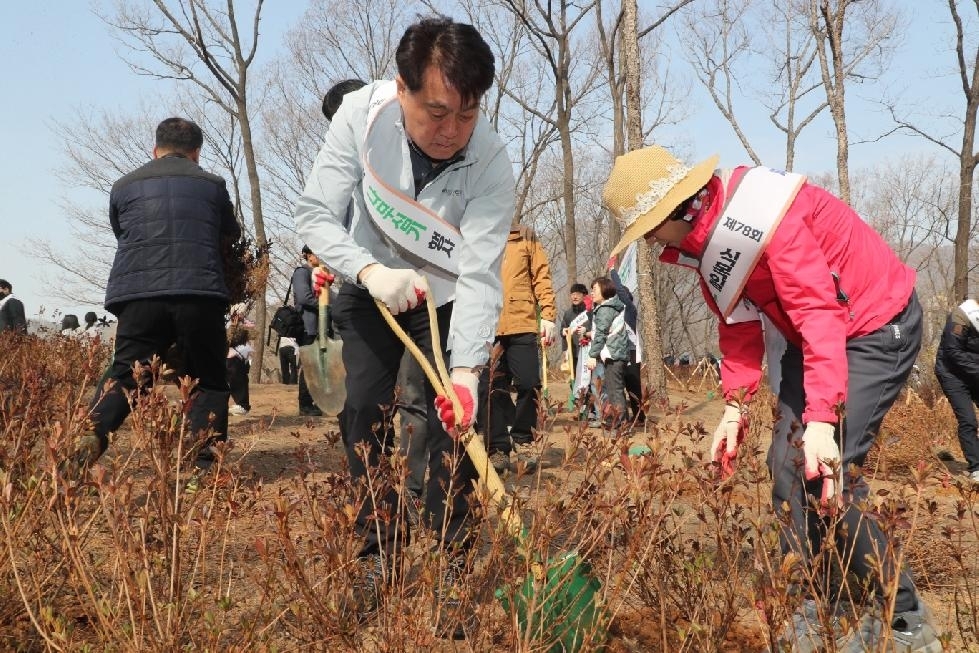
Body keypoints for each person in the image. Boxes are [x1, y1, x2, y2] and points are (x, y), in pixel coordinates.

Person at [602, 144, 939, 652]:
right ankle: (818, 602)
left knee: (831, 468)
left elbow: (818, 309)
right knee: (785, 463)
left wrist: (822, 419)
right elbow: (738, 328)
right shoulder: (705, 240)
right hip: (814, 336)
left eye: (647, 227)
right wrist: (734, 407)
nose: (648, 241)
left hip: (872, 324)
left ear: (672, 208)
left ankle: (906, 619)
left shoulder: (760, 216)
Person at [294, 16, 514, 639]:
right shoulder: (360, 117)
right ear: (402, 89)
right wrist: (365, 269)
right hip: (370, 292)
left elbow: (479, 273)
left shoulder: (492, 159)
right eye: (437, 113)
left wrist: (467, 371)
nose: (452, 132)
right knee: (361, 414)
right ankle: (377, 553)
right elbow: (315, 212)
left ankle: (452, 560)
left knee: (446, 431)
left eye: (467, 116)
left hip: (443, 302)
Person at [77, 117, 240, 471]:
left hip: (138, 295)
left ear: (155, 149)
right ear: (196, 153)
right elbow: (231, 232)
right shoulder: (212, 185)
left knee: (127, 375)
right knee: (207, 377)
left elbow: (123, 233)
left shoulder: (123, 185)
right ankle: (202, 466)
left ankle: (92, 433)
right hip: (199, 293)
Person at [323, 76, 429, 512]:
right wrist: (341, 265)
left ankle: (434, 504)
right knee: (365, 409)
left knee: (431, 404)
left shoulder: (422, 140)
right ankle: (378, 539)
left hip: (430, 290)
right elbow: (329, 227)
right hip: (365, 294)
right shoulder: (337, 163)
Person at [476, 224, 556, 473]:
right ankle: (497, 448)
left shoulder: (525, 237)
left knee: (530, 382)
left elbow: (541, 275)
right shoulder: (474, 233)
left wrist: (549, 315)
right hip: (486, 325)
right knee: (490, 389)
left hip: (522, 323)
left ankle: (524, 440)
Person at [935, 299, 979, 483]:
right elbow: (953, 352)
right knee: (968, 420)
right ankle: (976, 467)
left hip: (974, 371)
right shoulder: (962, 316)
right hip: (952, 374)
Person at [585, 276, 631, 430]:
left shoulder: (605, 309)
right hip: (615, 354)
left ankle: (620, 427)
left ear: (605, 290)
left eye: (595, 289)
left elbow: (601, 334)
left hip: (614, 355)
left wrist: (592, 355)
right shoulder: (608, 307)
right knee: (615, 390)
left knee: (615, 392)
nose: (592, 293)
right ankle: (619, 423)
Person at [293, 246, 324, 417]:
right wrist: (325, 306)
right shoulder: (302, 272)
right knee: (308, 365)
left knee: (316, 366)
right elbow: (304, 297)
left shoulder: (320, 273)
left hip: (319, 327)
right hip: (307, 326)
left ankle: (313, 402)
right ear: (309, 255)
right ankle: (305, 404)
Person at [226, 324, 252, 415]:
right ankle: (242, 405)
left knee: (234, 381)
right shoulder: (245, 347)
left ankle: (242, 405)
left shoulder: (242, 347)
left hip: (233, 361)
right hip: (235, 362)